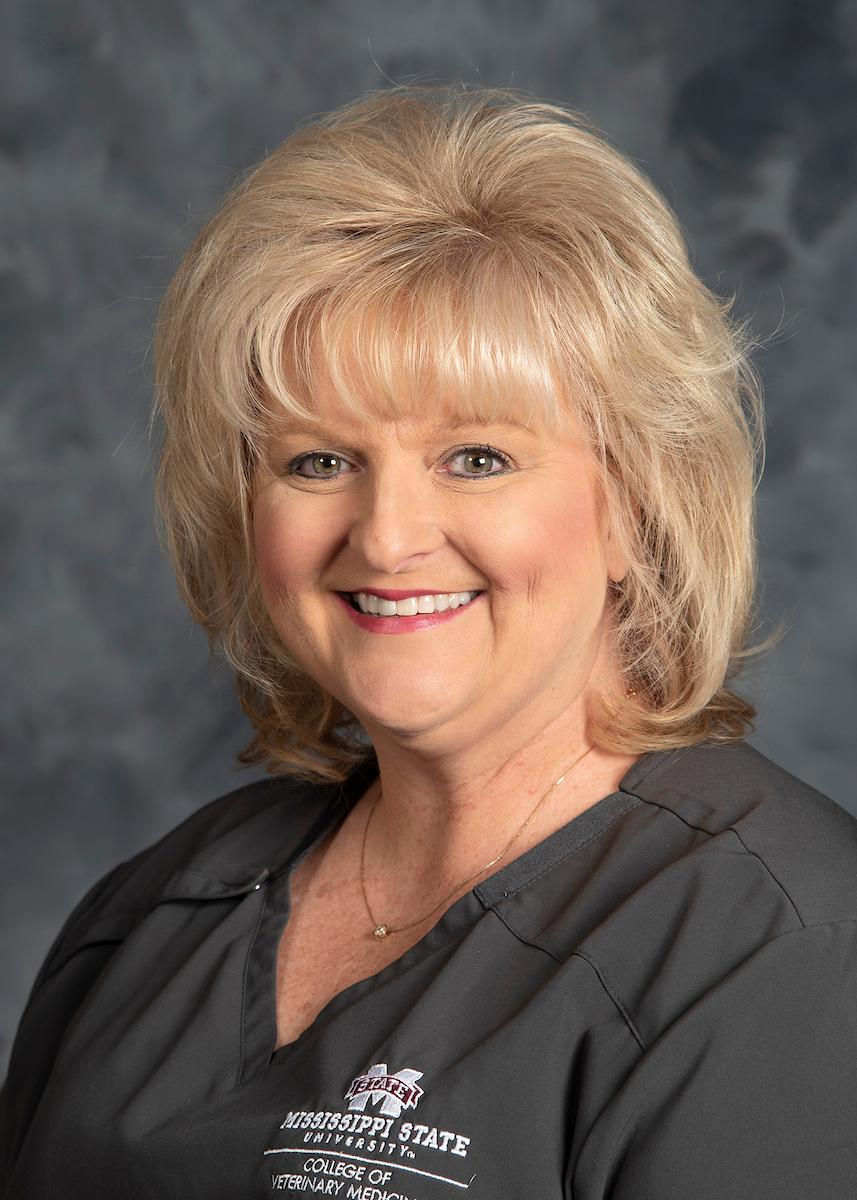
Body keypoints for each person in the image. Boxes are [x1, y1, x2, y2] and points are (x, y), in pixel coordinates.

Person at [2, 82, 855, 1200]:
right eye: (318, 461)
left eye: (475, 459)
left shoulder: (781, 950)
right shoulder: (153, 913)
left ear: (636, 505)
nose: (386, 536)